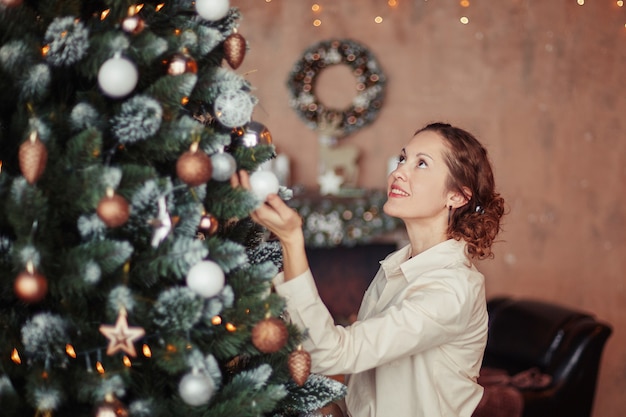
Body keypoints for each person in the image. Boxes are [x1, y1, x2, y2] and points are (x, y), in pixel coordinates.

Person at [233, 122, 506, 417]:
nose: (399, 172)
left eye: (422, 164)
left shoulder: (454, 288)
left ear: (457, 196)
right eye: (403, 158)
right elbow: (365, 386)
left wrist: (291, 240)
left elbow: (333, 354)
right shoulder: (396, 265)